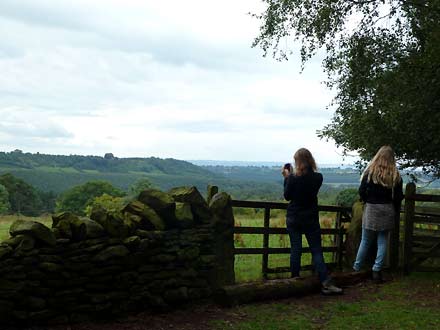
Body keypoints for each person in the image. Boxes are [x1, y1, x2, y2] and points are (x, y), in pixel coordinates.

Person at [283, 148, 342, 295]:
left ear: (298, 162)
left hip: (294, 217)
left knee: (296, 249)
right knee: (316, 250)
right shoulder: (318, 178)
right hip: (311, 218)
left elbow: (287, 196)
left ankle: (294, 281)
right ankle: (325, 283)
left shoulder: (292, 178)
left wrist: (286, 177)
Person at [353, 145, 404, 282]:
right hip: (387, 208)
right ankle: (376, 270)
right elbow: (398, 196)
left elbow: (362, 190)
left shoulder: (370, 172)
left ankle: (356, 268)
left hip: (371, 208)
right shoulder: (395, 175)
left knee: (366, 240)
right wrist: (394, 208)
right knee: (382, 241)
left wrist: (365, 200)